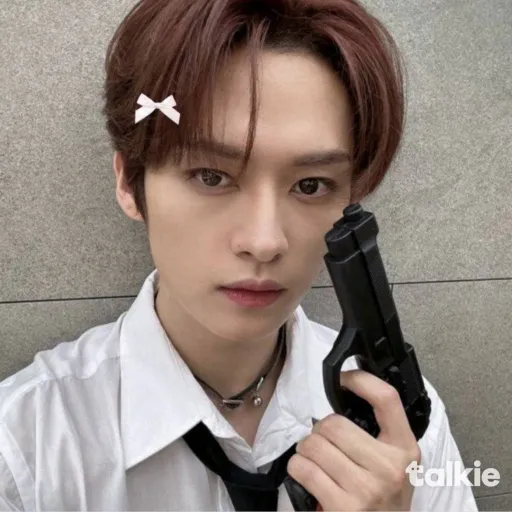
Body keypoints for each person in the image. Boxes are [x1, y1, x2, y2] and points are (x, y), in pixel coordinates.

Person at [0, 0, 479, 510]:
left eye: (311, 184)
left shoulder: (400, 418)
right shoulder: (26, 447)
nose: (265, 241)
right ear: (129, 183)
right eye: (211, 176)